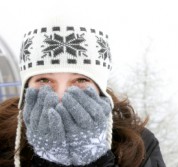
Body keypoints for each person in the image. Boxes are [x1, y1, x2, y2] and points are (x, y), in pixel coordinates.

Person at [0, 20, 166, 167]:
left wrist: (95, 160)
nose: (60, 95)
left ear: (99, 87)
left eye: (80, 80)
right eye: (44, 80)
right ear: (26, 87)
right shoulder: (3, 139)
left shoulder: (138, 144)